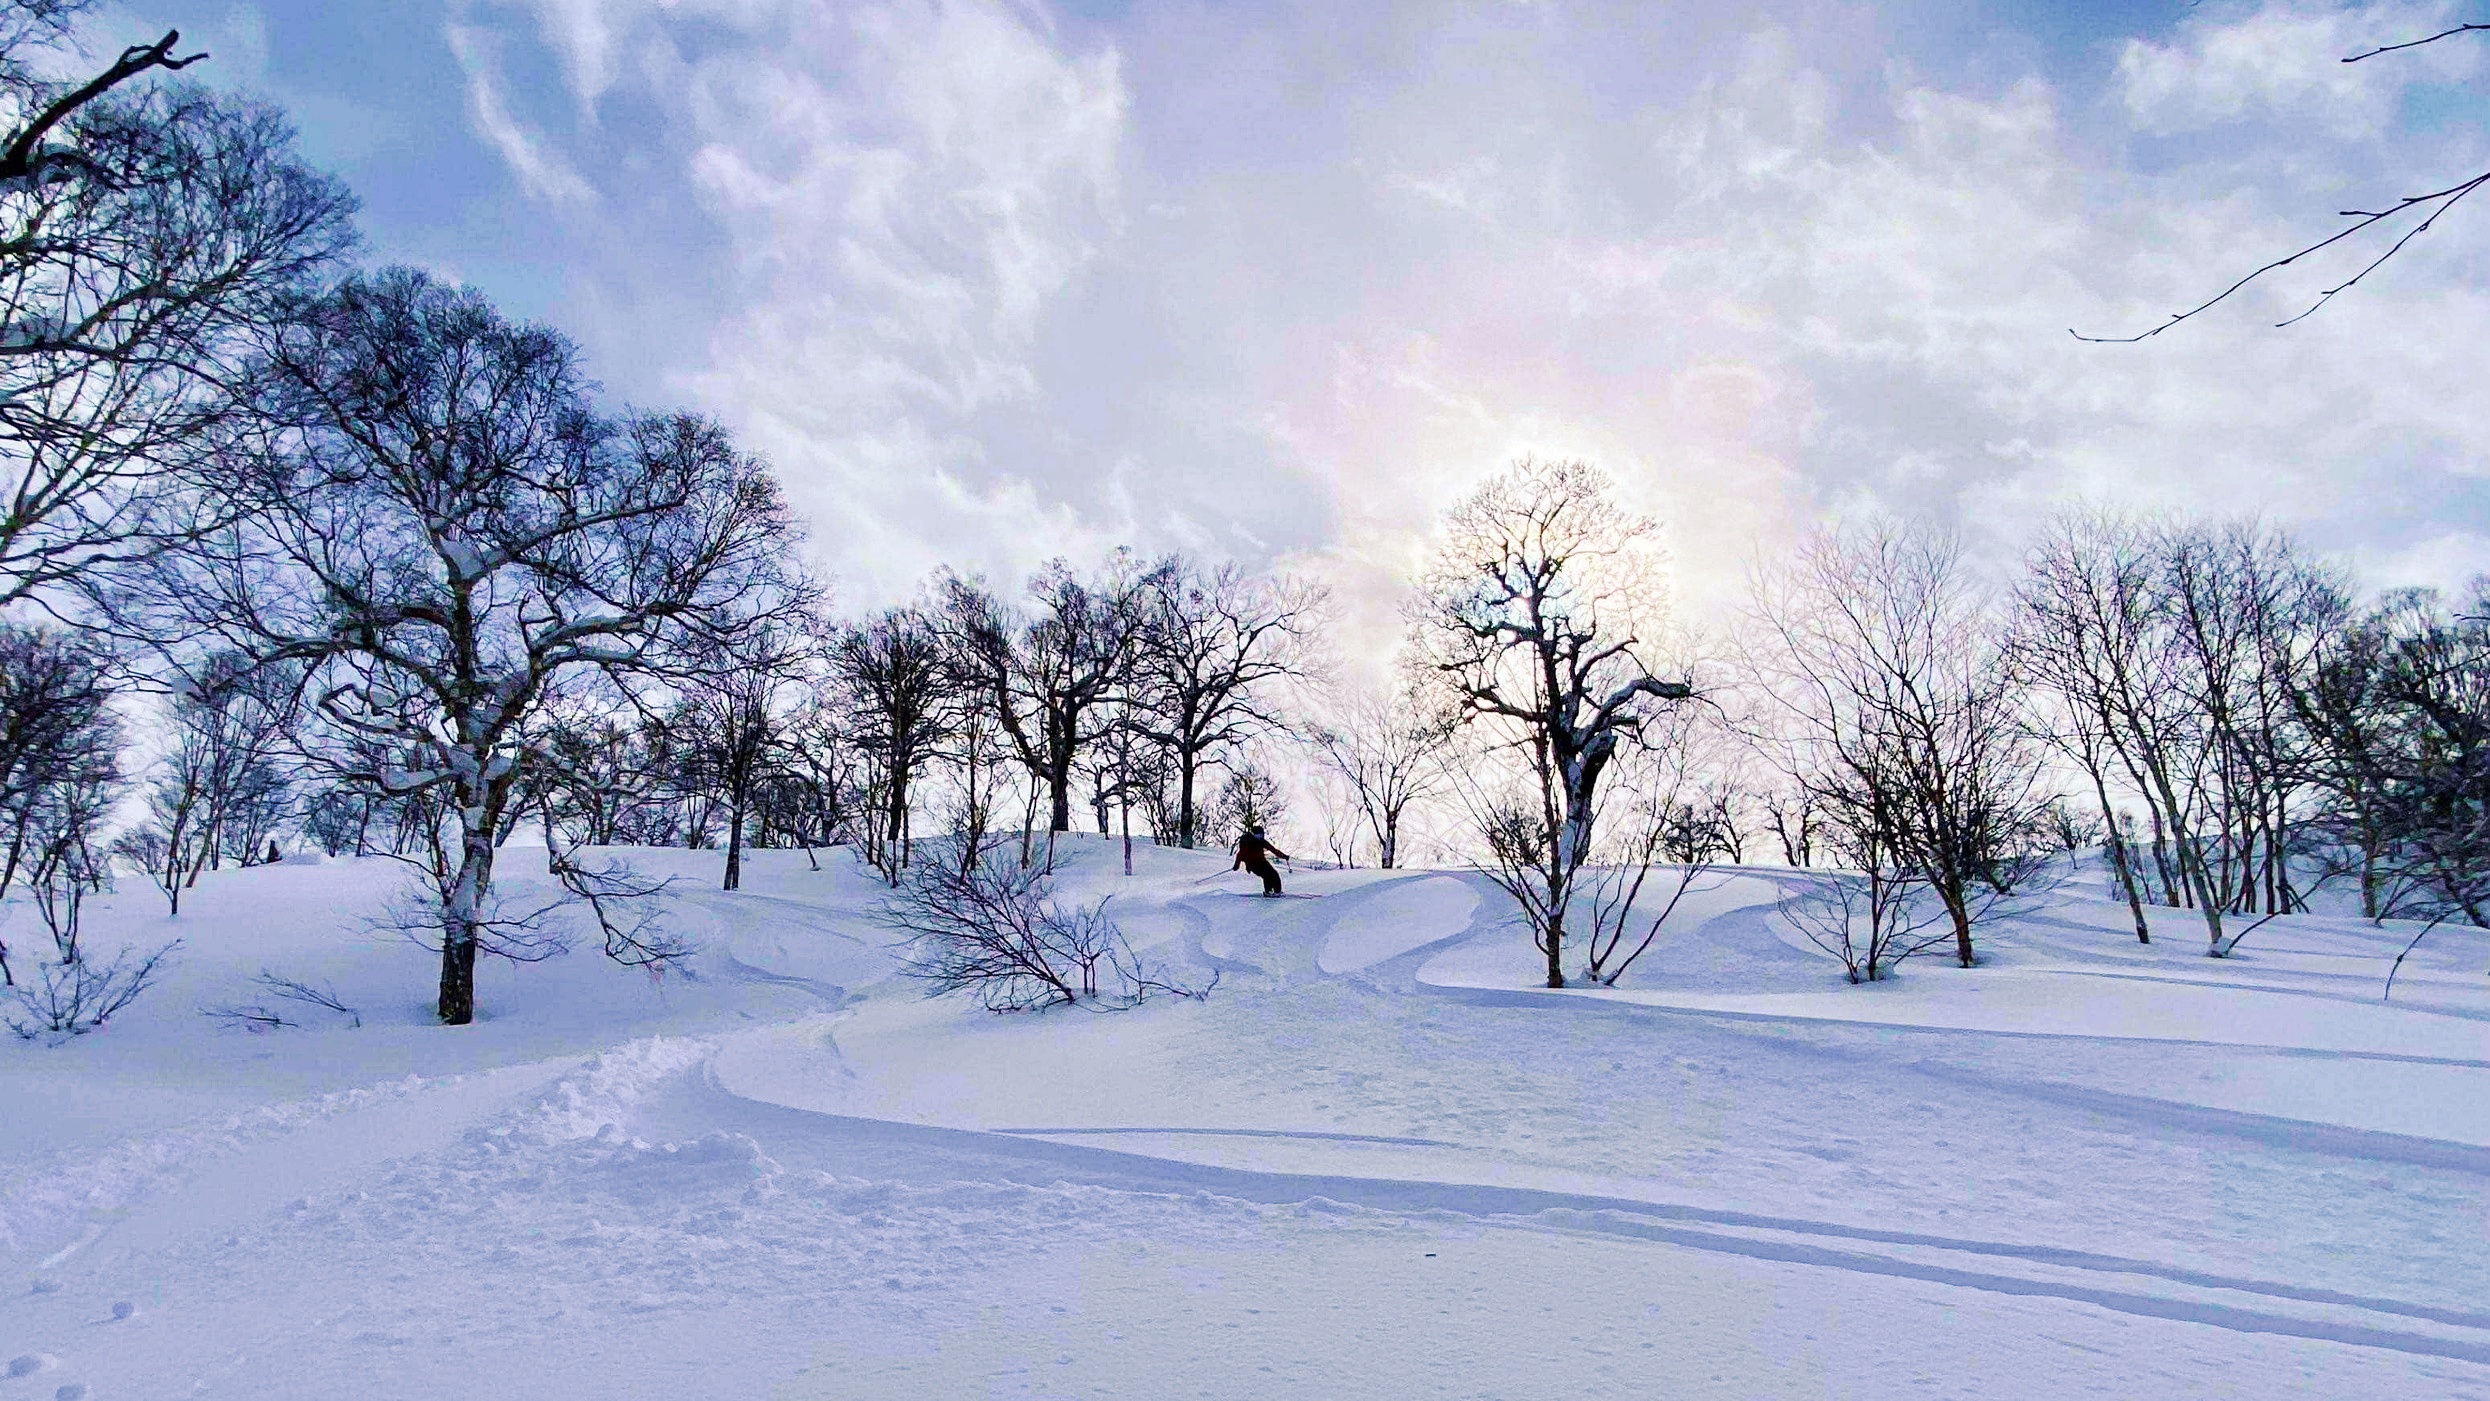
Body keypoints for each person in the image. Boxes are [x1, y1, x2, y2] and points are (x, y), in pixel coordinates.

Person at [1233, 824, 1292, 897]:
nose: (1261, 836)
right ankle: (1268, 892)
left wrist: (1284, 856)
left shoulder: (1262, 842)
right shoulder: (1248, 842)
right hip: (1253, 864)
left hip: (1262, 862)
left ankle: (1277, 891)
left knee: (1274, 874)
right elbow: (1240, 854)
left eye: (1262, 834)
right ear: (1255, 834)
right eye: (1260, 834)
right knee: (1266, 875)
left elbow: (1273, 850)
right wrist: (1236, 865)